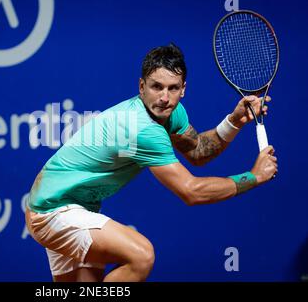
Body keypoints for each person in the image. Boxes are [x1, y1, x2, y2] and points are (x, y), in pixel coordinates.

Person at [25, 44, 278, 282]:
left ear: (183, 89)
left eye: (173, 88)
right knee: (141, 255)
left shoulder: (171, 113)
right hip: (52, 211)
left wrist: (234, 121)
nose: (165, 97)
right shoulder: (141, 128)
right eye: (157, 87)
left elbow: (198, 150)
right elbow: (191, 191)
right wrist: (252, 177)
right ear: (141, 86)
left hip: (75, 210)